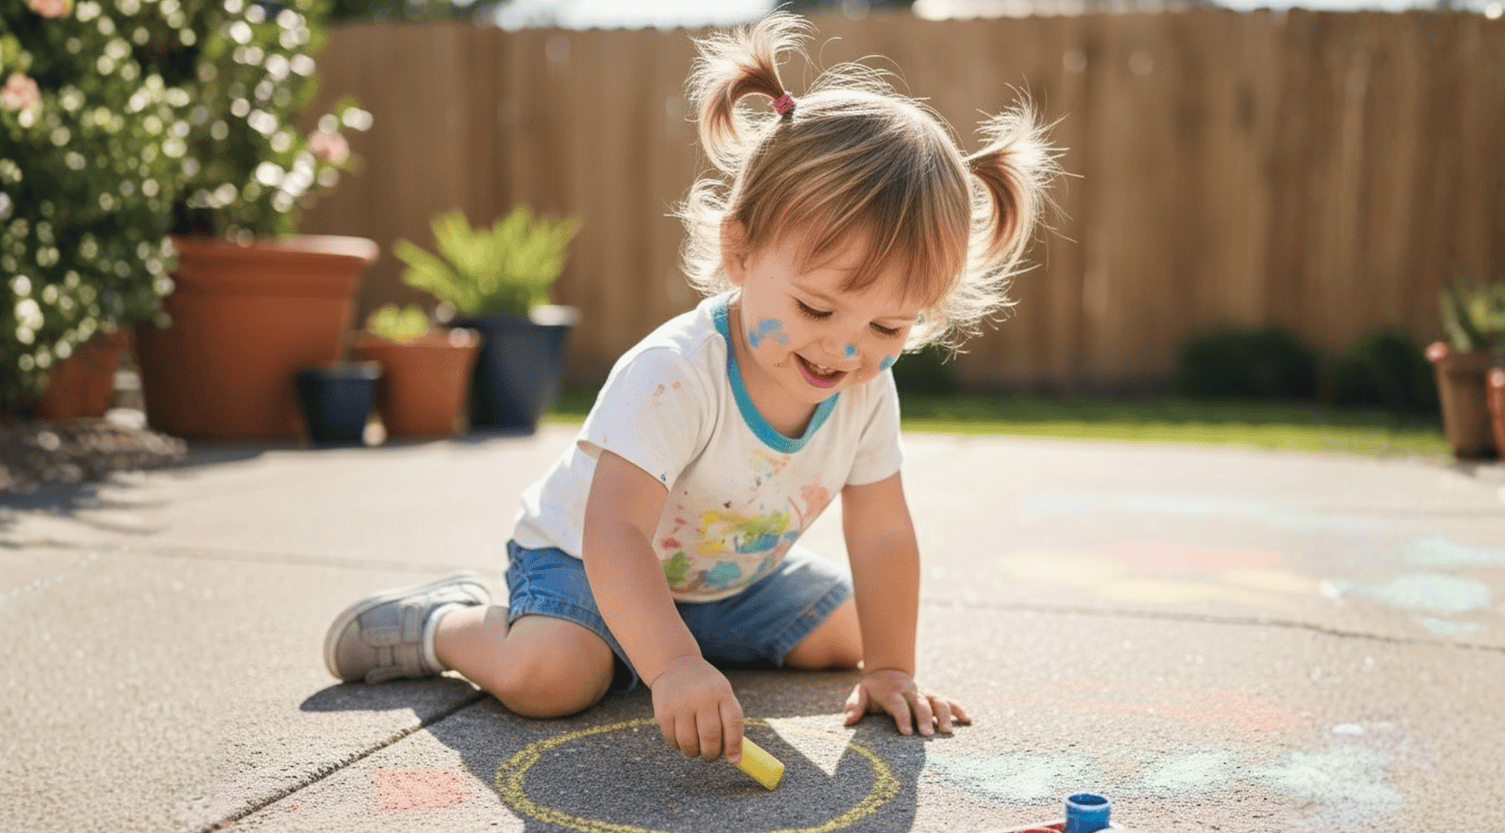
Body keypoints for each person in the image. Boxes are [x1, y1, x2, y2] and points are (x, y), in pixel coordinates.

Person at [322, 13, 1059, 770]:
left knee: (854, 638)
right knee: (552, 678)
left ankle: (672, 642)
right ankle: (448, 622)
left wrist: (892, 669)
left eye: (889, 327)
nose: (846, 349)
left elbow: (882, 535)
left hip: (725, 581)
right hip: (589, 561)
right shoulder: (675, 373)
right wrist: (673, 667)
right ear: (739, 250)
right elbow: (616, 533)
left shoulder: (866, 388)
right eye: (815, 307)